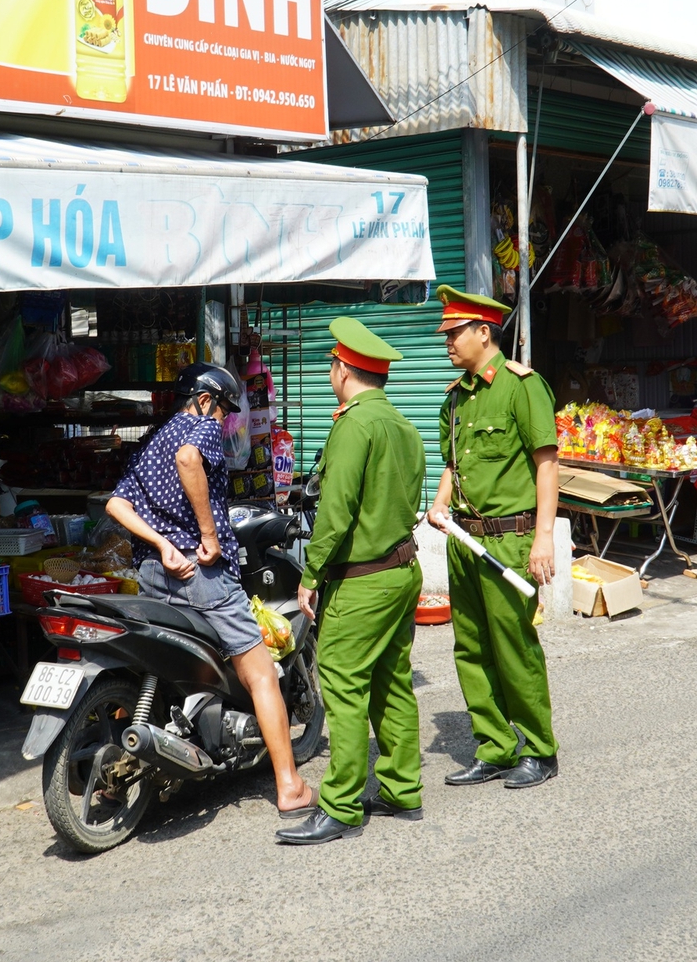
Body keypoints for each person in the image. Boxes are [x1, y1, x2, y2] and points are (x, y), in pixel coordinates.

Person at [104, 363, 312, 817]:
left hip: (156, 573)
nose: (224, 422)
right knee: (260, 674)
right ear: (204, 401)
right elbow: (189, 461)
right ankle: (290, 786)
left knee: (152, 666)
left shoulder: (154, 439)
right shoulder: (199, 429)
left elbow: (116, 503)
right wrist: (210, 537)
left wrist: (162, 545)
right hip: (202, 578)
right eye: (224, 412)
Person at [276, 319, 428, 846]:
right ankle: (402, 788)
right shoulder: (402, 425)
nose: (329, 373)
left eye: (330, 366)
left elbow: (335, 512)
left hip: (362, 579)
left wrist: (311, 573)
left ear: (343, 370)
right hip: (402, 569)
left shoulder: (354, 425)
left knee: (341, 680)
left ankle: (340, 806)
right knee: (390, 679)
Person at [424, 286, 560, 790]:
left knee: (513, 646)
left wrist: (544, 537)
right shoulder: (455, 396)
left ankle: (540, 749)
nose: (448, 343)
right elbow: (453, 463)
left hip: (509, 540)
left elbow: (547, 463)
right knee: (471, 647)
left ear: (485, 332)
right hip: (465, 539)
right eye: (446, 335)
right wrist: (440, 501)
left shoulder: (521, 386)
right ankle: (496, 746)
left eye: (455, 333)